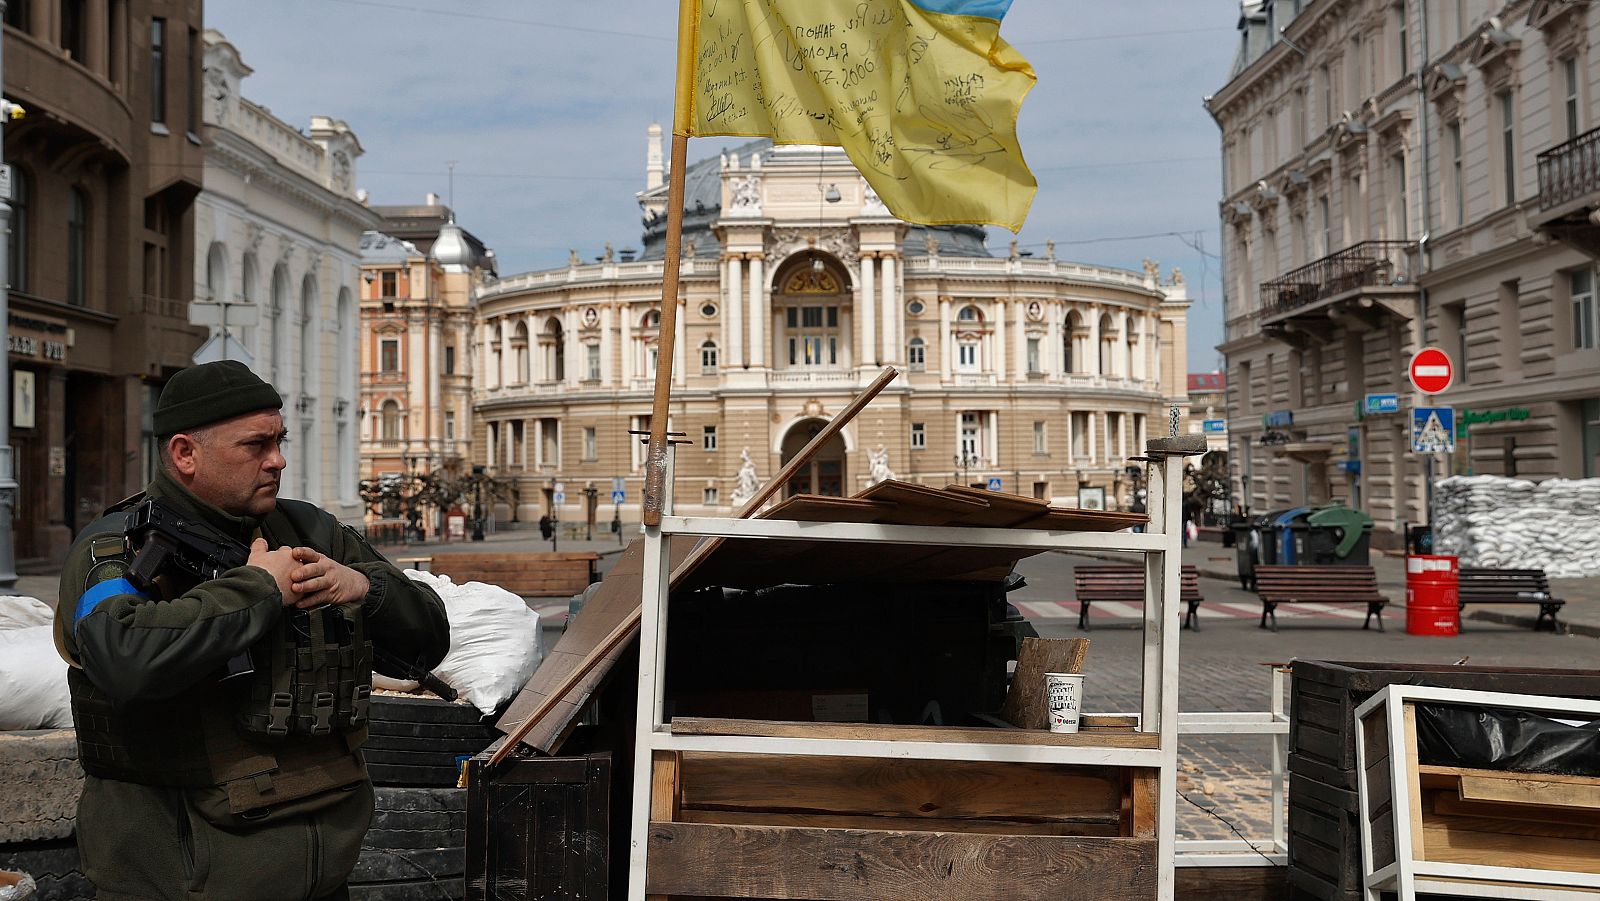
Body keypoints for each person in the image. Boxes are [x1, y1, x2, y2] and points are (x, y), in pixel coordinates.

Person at [53, 361, 450, 901]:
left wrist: (364, 587)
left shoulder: (309, 529)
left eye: (279, 440)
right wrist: (261, 590)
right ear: (184, 454)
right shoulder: (119, 547)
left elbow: (429, 640)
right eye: (255, 445)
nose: (278, 460)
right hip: (178, 881)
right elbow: (123, 656)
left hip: (322, 870)